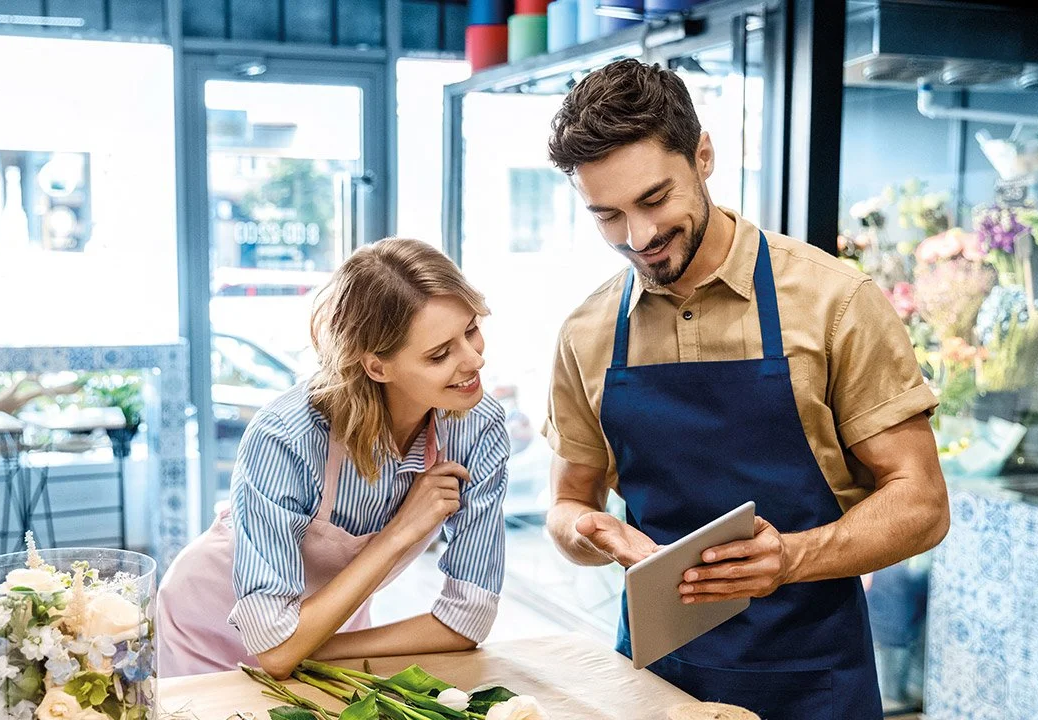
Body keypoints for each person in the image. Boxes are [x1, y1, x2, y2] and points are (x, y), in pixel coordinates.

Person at [541, 59, 950, 719]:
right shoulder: (586, 333)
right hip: (656, 686)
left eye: (653, 200)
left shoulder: (833, 303)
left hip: (815, 682)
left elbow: (923, 503)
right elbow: (566, 501)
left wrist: (791, 556)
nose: (638, 237)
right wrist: (589, 530)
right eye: (608, 216)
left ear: (703, 156)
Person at [158, 238, 510, 679]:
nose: (474, 358)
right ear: (377, 367)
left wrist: (306, 645)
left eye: (471, 329)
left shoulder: (478, 427)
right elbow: (275, 646)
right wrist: (400, 532)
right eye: (440, 354)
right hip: (204, 625)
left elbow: (467, 619)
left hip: (326, 630)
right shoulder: (286, 437)